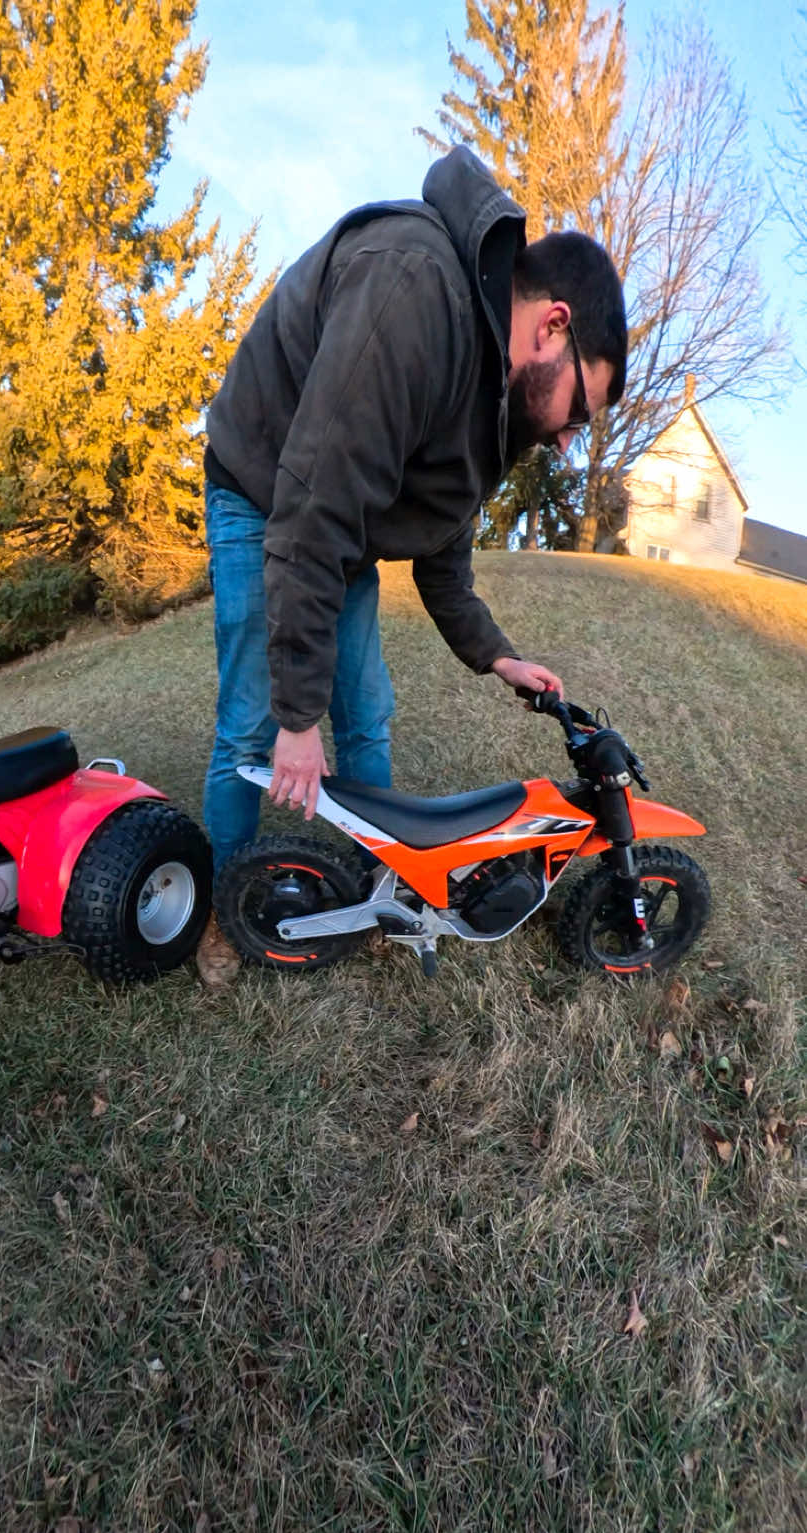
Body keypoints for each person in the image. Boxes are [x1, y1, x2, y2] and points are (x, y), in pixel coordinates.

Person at [197, 145, 627, 979]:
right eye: (583, 402)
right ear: (554, 326)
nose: (572, 437)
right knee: (254, 720)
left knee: (367, 713)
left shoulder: (496, 400)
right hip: (264, 490)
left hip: (334, 517)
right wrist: (296, 716)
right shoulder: (413, 294)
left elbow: (441, 547)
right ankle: (227, 907)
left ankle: (384, 891)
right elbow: (309, 509)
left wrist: (496, 653)